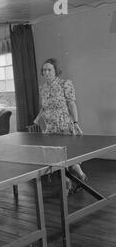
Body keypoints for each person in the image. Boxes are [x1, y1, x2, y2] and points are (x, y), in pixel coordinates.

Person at [35, 58, 87, 192]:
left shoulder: (65, 84)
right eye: (44, 70)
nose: (46, 72)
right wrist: (39, 120)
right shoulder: (43, 88)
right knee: (55, 158)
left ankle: (81, 176)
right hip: (51, 128)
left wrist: (76, 122)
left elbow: (71, 104)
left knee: (69, 156)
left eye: (49, 69)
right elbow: (44, 107)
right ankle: (67, 183)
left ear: (55, 71)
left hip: (64, 125)